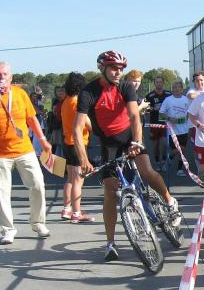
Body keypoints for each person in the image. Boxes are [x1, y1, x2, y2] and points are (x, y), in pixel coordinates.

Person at [74, 51, 182, 262]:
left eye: (121, 69)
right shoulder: (89, 92)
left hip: (129, 137)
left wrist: (137, 142)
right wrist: (83, 159)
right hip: (108, 143)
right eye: (114, 68)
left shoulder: (125, 87)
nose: (118, 72)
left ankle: (170, 201)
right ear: (102, 68)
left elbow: (134, 116)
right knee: (110, 191)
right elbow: (77, 129)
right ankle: (110, 244)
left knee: (146, 171)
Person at [0, 61, 51, 244]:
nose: (1, 77)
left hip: (24, 149)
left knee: (38, 184)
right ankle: (8, 230)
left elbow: (31, 118)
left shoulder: (20, 94)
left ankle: (38, 222)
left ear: (11, 77)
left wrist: (43, 140)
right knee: (2, 193)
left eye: (5, 74)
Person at [60, 72, 94, 224]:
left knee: (70, 178)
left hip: (67, 143)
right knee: (78, 180)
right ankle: (76, 213)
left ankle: (67, 209)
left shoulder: (66, 101)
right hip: (78, 144)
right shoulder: (77, 103)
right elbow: (89, 125)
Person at [159, 81, 192, 177]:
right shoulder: (168, 100)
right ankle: (169, 158)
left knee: (183, 150)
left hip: (184, 129)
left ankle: (179, 169)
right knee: (177, 149)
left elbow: (190, 112)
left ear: (182, 89)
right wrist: (169, 118)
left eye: (179, 87)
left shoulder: (186, 100)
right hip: (172, 130)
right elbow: (161, 113)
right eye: (175, 87)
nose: (177, 89)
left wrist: (188, 120)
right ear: (172, 89)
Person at [144, 76, 170, 169]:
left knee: (164, 143)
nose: (159, 84)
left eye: (160, 82)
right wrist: (153, 108)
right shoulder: (150, 95)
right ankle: (157, 162)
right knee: (155, 145)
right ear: (154, 83)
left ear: (163, 83)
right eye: (157, 82)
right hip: (154, 122)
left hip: (164, 122)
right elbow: (145, 109)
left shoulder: (168, 94)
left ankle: (164, 161)